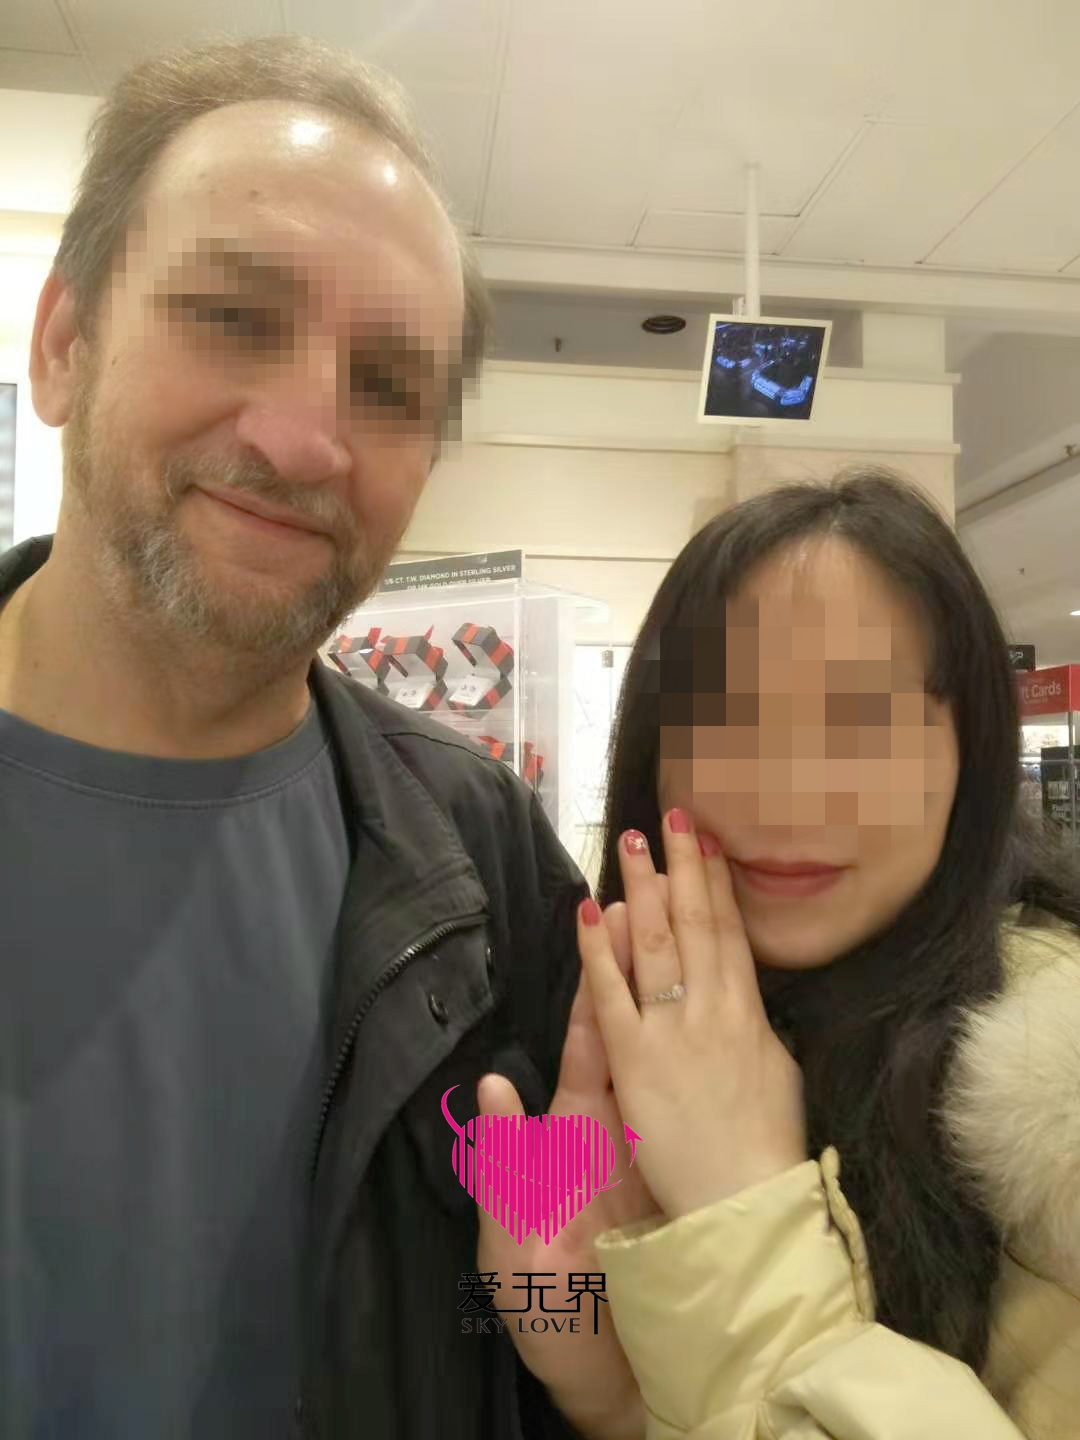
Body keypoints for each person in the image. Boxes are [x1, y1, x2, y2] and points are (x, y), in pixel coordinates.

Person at [0, 34, 637, 1440]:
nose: (304, 439)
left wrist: (594, 1354)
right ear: (63, 346)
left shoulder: (487, 873)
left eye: (391, 386)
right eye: (234, 316)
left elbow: (547, 1331)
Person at [492, 470, 1080, 1438]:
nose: (790, 792)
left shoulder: (1050, 1120)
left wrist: (743, 1207)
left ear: (972, 753)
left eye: (863, 722)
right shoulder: (610, 1038)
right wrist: (604, 1394)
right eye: (727, 717)